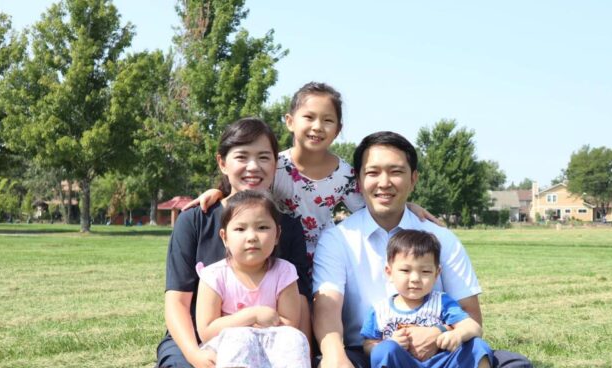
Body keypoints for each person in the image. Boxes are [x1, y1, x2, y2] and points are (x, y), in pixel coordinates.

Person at [35, 118, 311, 368]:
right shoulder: (195, 219)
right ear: (222, 162)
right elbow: (177, 303)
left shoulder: (287, 227)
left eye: (264, 157)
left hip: (260, 348)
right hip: (199, 338)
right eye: (241, 156)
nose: (253, 167)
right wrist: (196, 357)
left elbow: (298, 305)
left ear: (276, 163)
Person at [312, 131, 541, 368]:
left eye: (396, 172)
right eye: (373, 172)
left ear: (414, 179)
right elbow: (327, 309)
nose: (384, 182)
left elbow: (472, 318)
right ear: (359, 181)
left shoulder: (442, 239)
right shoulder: (337, 239)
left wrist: (436, 334)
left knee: (511, 364)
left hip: (443, 358)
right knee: (328, 366)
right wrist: (334, 357)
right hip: (373, 360)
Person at [183, 82, 440, 263]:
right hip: (276, 252)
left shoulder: (346, 175)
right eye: (309, 117)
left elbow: (372, 207)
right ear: (290, 121)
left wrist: (410, 206)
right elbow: (244, 189)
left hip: (326, 256)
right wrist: (217, 190)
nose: (317, 127)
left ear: (338, 129)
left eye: (327, 120)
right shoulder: (274, 164)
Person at [197, 190, 312, 368]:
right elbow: (207, 330)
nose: (252, 237)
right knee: (239, 336)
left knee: (295, 338)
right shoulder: (214, 275)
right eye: (240, 229)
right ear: (224, 237)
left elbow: (290, 321)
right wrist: (252, 315)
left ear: (278, 234)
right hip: (228, 352)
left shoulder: (284, 271)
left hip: (272, 347)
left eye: (262, 228)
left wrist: (264, 327)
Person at [361, 229, 493, 368]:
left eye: (425, 271)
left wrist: (457, 334)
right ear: (389, 272)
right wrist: (389, 343)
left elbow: (474, 327)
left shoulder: (442, 302)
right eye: (405, 270)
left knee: (479, 348)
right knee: (382, 350)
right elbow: (368, 345)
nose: (415, 278)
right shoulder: (380, 310)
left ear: (437, 273)